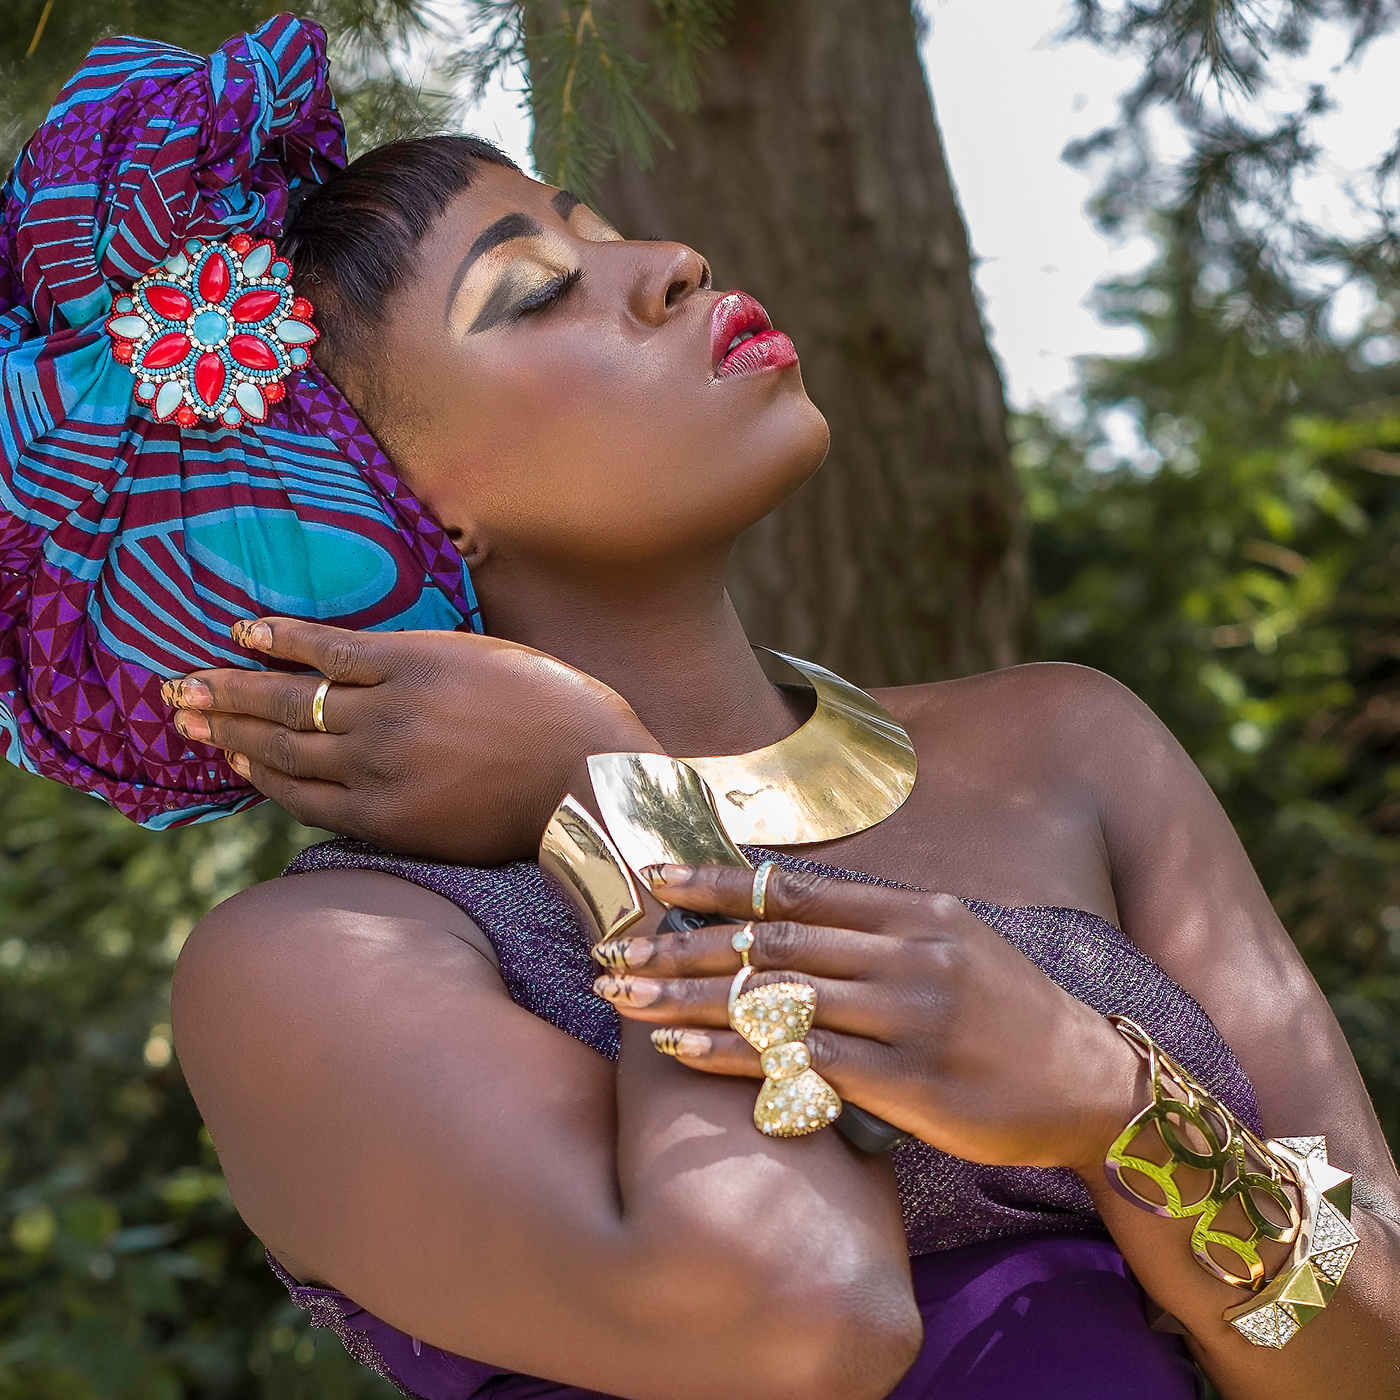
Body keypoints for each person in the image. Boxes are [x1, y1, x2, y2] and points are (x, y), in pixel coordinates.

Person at [13, 17, 1400, 1400]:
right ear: (377, 499)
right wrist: (615, 800)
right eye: (532, 292)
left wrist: (1115, 1108)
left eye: (601, 229)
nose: (669, 261)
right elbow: (805, 1316)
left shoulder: (1068, 748)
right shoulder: (318, 961)